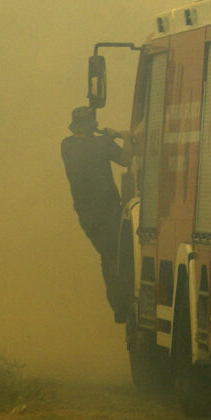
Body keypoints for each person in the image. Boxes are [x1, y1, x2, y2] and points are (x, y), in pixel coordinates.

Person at [61, 106, 133, 323]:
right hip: (109, 210)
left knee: (108, 256)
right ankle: (123, 304)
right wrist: (125, 137)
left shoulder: (67, 145)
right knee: (120, 255)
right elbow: (126, 160)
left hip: (86, 214)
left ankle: (119, 306)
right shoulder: (101, 144)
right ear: (93, 125)